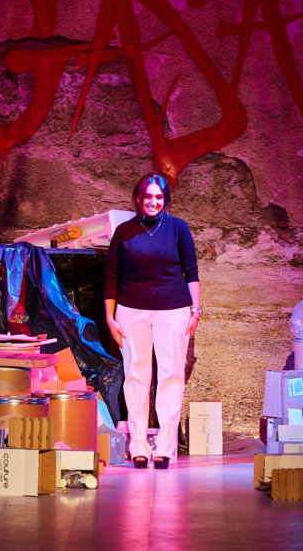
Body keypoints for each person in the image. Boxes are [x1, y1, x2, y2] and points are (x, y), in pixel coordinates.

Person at [104, 173, 201, 469]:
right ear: (139, 198)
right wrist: (109, 317)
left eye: (159, 197)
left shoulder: (178, 227)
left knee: (171, 375)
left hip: (174, 310)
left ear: (165, 200)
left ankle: (165, 447)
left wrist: (196, 311)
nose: (153, 202)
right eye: (148, 196)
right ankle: (139, 446)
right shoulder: (124, 231)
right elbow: (111, 275)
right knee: (136, 376)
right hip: (131, 311)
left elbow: (191, 271)